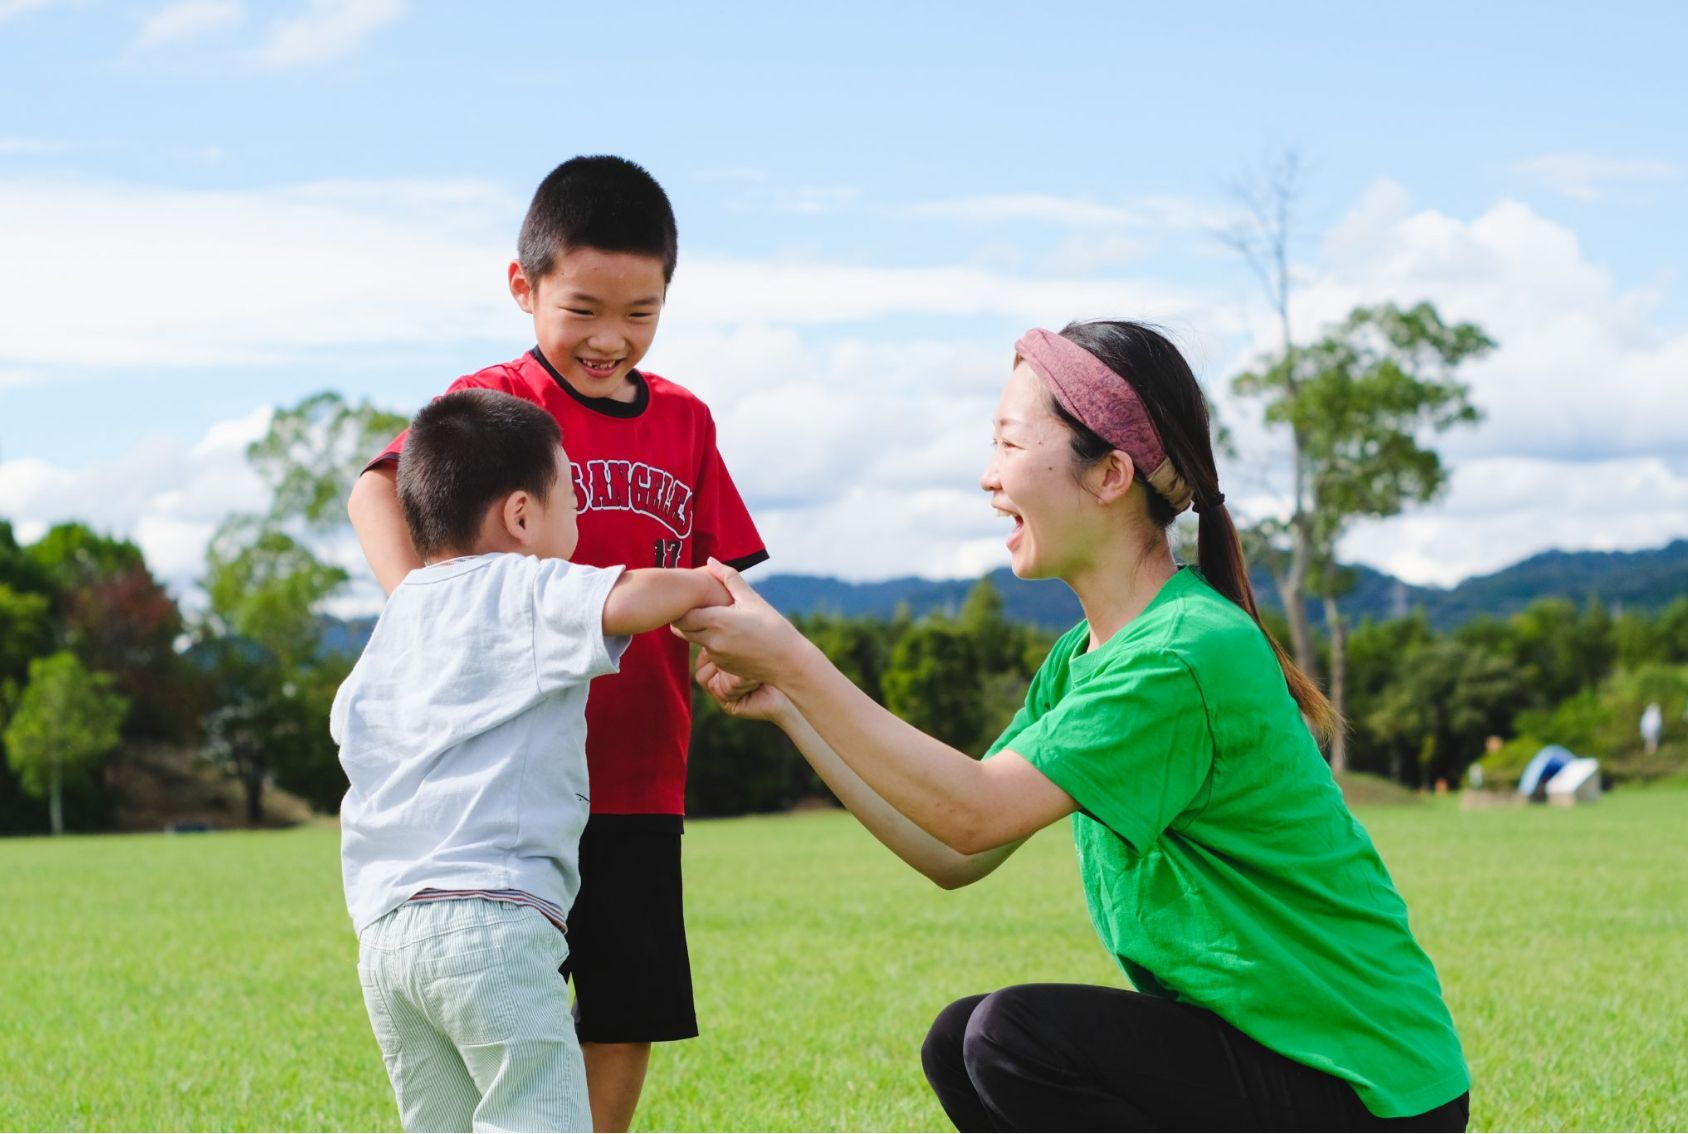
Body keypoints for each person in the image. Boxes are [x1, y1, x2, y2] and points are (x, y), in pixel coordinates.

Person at [678, 321, 1471, 1131]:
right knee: (960, 1041)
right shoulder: (1084, 658)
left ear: (1110, 475)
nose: (989, 478)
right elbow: (957, 851)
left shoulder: (1185, 654)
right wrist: (789, 706)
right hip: (1273, 1060)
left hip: (1369, 1091)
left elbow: (973, 809)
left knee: (1011, 1039)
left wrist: (796, 658)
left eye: (1010, 444)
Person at [347, 156, 767, 1131]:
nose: (609, 339)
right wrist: (432, 603)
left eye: (641, 313)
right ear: (522, 287)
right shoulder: (492, 405)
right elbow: (376, 487)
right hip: (496, 782)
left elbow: (718, 572)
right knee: (502, 1002)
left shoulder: (684, 422)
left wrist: (727, 649)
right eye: (582, 309)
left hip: (633, 769)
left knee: (625, 1007)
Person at [335, 390, 731, 1133]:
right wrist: (708, 586)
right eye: (572, 500)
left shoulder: (397, 623)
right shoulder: (522, 584)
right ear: (521, 517)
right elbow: (629, 599)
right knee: (539, 1116)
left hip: (387, 938)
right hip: (492, 925)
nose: (580, 524)